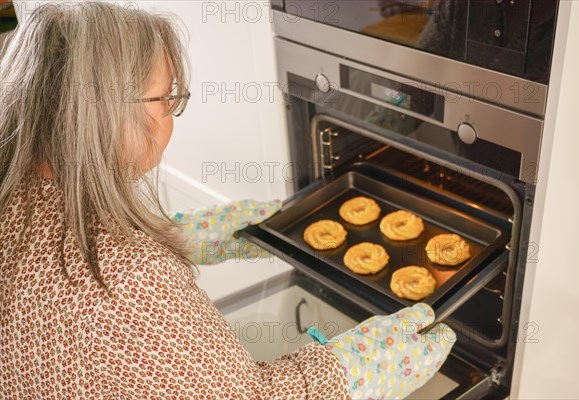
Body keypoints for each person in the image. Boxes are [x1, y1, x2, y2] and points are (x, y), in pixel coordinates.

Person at [0, 3, 455, 399]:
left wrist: (195, 233)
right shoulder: (134, 278)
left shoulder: (14, 199)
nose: (173, 114)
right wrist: (361, 365)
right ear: (104, 110)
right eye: (167, 99)